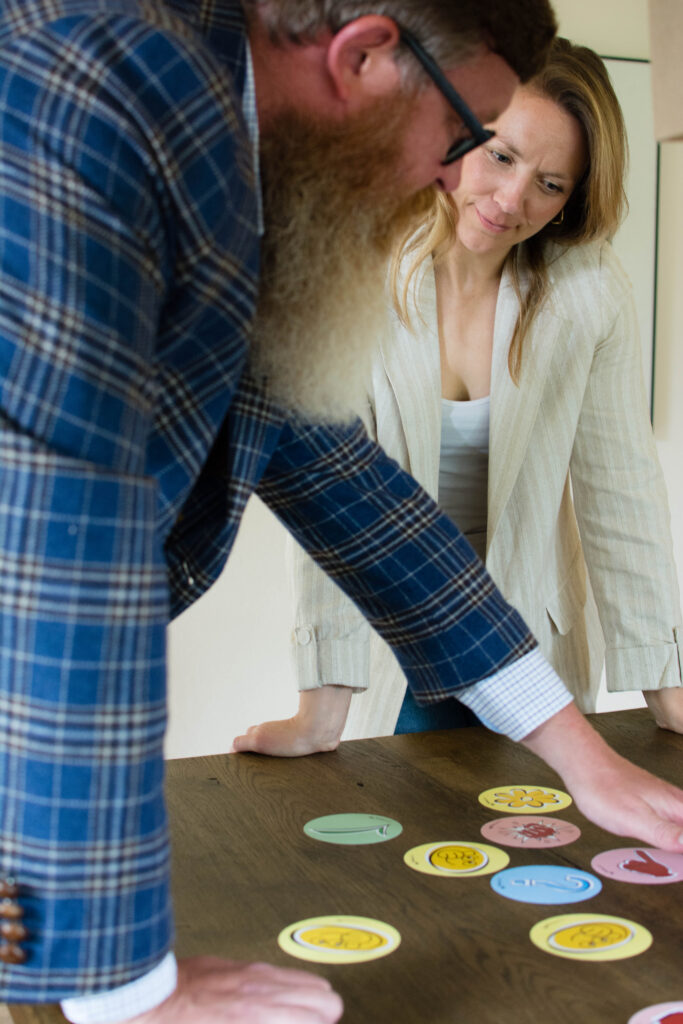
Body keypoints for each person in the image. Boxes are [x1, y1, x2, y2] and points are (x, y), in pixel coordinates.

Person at [2, 4, 683, 1022]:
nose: (458, 181)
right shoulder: (104, 88)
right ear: (363, 56)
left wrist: (577, 751)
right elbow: (61, 535)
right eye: (463, 137)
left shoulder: (239, 146)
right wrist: (124, 985)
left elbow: (336, 474)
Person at [235, 37, 683, 755]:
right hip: (399, 630)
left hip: (535, 642)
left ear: (570, 201)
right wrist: (320, 709)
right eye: (500, 155)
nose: (511, 200)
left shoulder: (590, 287)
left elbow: (621, 492)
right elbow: (331, 492)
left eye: (549, 183)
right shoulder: (353, 261)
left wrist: (668, 688)